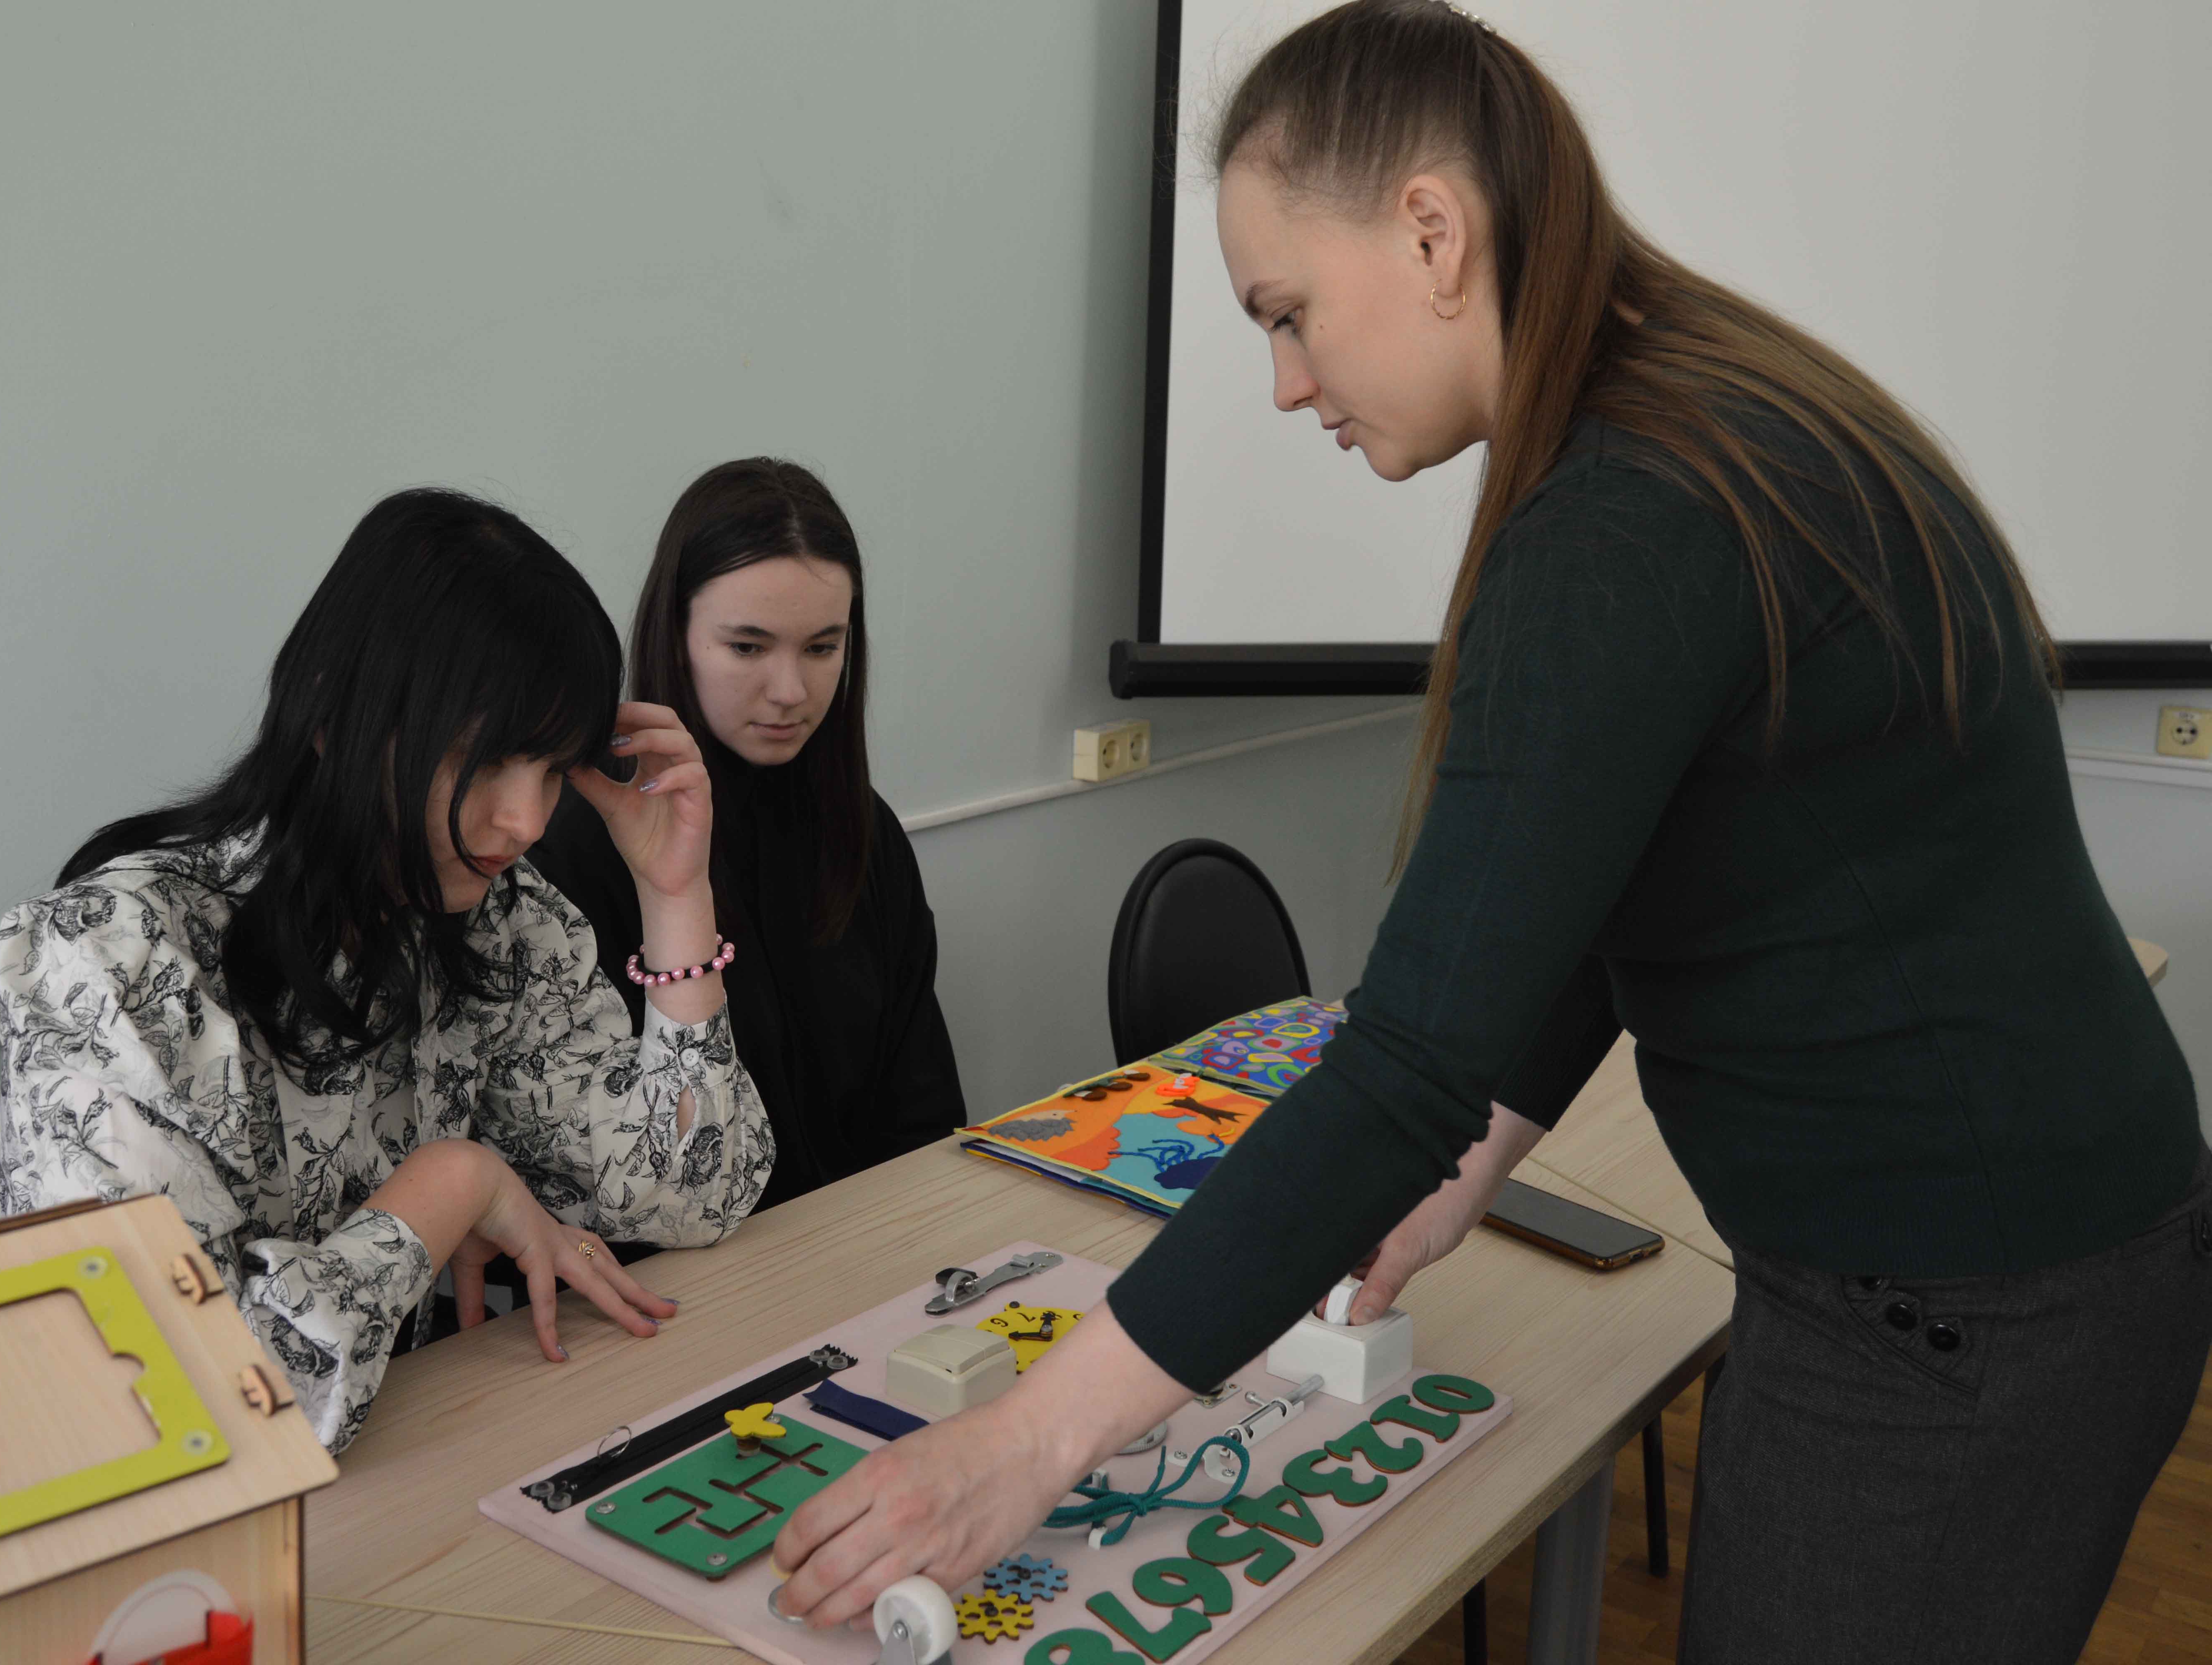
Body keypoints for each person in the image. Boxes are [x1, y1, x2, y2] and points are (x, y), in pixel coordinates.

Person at [773, 3, 2210, 1655]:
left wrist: (1023, 1444)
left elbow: (1399, 1070)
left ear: (1431, 233)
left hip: (1959, 1306)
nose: (1285, 382)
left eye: (1288, 313)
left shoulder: (1618, 522)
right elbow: (1608, 883)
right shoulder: (1707, 411)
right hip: (2020, 1264)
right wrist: (1468, 1173)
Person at [0, 487, 774, 1452]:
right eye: (487, 758)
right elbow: (177, 1399)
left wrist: (673, 890)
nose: (527, 820)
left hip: (410, 1455)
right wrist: (453, 1184)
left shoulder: (503, 920)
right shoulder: (110, 954)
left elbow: (694, 1194)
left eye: (550, 769)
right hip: (181, 1520)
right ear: (336, 709)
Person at [536, 458, 964, 1212]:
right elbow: (576, 1180)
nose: (791, 691)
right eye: (747, 647)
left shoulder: (864, 830)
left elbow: (924, 1120)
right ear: (676, 633)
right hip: (675, 1264)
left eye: (822, 647)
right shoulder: (578, 841)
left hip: (869, 1240)